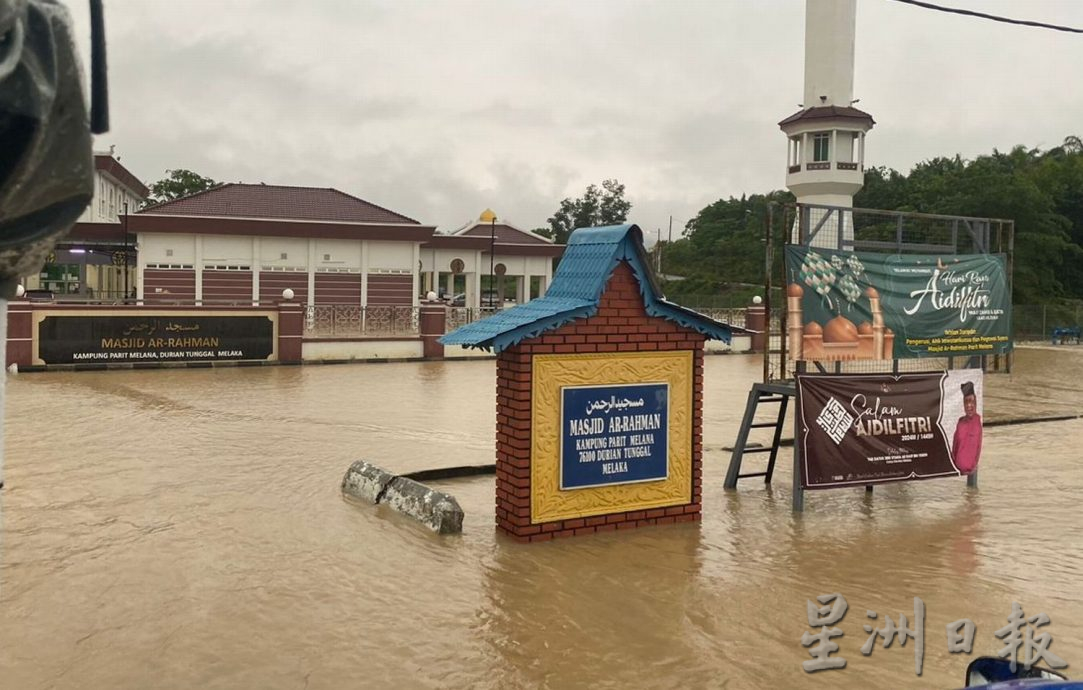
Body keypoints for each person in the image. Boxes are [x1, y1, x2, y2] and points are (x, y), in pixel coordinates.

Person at [952, 381, 982, 474]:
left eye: (971, 401)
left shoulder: (978, 423)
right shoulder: (960, 423)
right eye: (966, 402)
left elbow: (979, 447)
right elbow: (955, 445)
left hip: (971, 468)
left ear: (976, 402)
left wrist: (974, 465)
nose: (969, 405)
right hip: (957, 469)